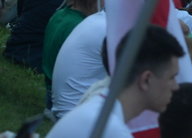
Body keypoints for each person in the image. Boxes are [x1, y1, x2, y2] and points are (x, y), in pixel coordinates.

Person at [47, 25, 183, 138]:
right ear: (146, 80)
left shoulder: (101, 107)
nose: (176, 87)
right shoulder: (111, 129)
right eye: (172, 77)